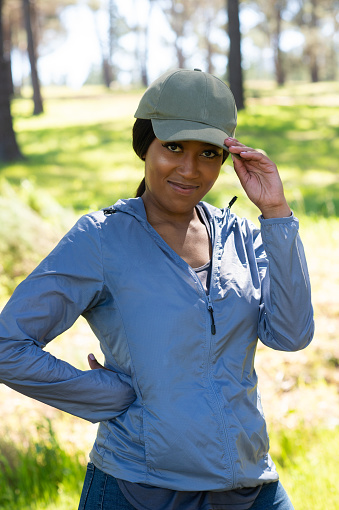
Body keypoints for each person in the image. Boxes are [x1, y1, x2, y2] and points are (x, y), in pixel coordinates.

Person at [0, 68, 314, 510]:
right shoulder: (101, 238)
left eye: (208, 153)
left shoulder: (242, 235)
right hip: (140, 489)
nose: (189, 169)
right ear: (143, 145)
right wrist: (108, 395)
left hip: (250, 485)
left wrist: (277, 213)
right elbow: (8, 344)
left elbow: (291, 334)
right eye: (172, 147)